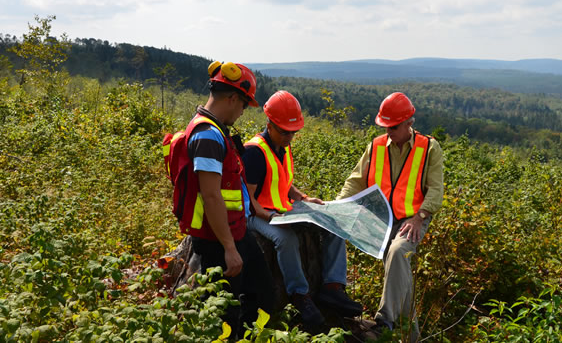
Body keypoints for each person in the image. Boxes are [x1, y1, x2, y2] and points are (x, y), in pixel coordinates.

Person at [242, 90, 362, 326]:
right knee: (286, 240)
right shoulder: (254, 152)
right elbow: (248, 199)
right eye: (285, 132)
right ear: (270, 124)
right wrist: (271, 216)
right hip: (257, 215)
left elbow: (284, 183)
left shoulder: (282, 147)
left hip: (281, 210)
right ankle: (300, 295)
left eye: (293, 132)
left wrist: (304, 199)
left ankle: (332, 287)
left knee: (333, 225)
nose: (290, 137)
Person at [337, 92, 444, 339]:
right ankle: (412, 337)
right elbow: (355, 181)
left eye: (393, 127)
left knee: (397, 253)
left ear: (409, 123)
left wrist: (420, 216)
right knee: (400, 278)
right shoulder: (375, 146)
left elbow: (436, 190)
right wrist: (337, 206)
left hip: (414, 219)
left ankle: (383, 322)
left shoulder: (429, 148)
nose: (389, 131)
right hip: (383, 220)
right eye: (385, 126)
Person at [180, 61, 274, 335]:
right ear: (233, 98)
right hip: (219, 240)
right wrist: (229, 249)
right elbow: (210, 196)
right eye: (244, 105)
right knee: (225, 313)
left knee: (261, 294)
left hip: (235, 231)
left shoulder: (216, 130)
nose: (243, 112)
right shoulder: (208, 136)